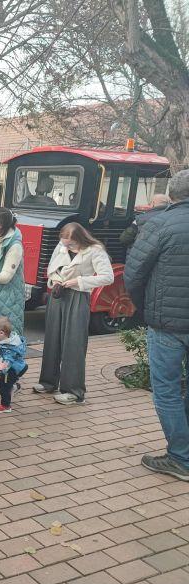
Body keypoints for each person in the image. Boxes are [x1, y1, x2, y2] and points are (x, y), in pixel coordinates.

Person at [124, 169, 189, 481]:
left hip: (167, 324)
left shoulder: (159, 223)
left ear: (172, 194)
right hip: (169, 320)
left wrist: (144, 306)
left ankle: (180, 457)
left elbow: (134, 274)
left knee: (166, 389)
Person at [34, 223, 113, 405]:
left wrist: (78, 281)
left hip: (78, 295)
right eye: (65, 243)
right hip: (58, 294)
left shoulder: (95, 250)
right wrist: (55, 278)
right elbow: (51, 267)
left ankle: (73, 391)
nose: (67, 247)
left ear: (80, 239)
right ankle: (48, 382)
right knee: (52, 338)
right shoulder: (61, 245)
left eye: (71, 244)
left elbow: (107, 277)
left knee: (74, 342)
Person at [0, 316, 28, 414]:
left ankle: (5, 406)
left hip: (10, 370)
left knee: (3, 387)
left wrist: (0, 372)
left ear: (1, 333)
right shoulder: (0, 339)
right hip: (4, 367)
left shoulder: (8, 348)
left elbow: (7, 362)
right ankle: (13, 386)